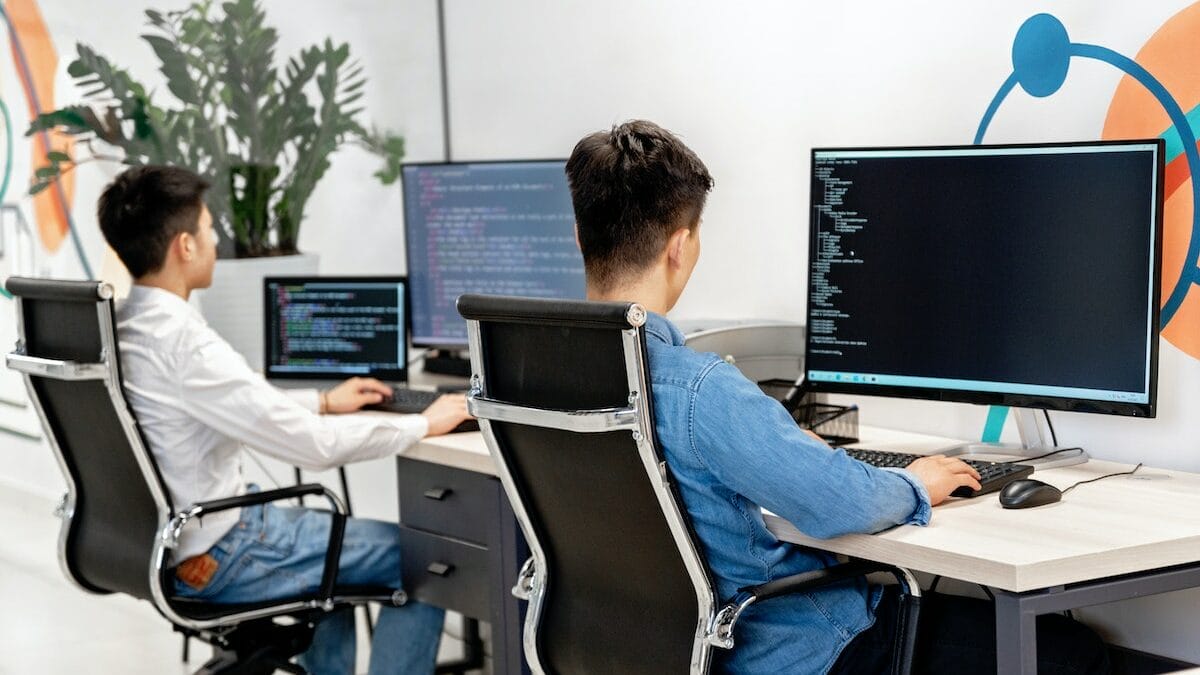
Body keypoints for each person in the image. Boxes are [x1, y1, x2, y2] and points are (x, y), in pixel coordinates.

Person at [564, 120, 1110, 674]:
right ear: (682, 246)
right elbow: (836, 503)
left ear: (579, 237)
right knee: (1073, 654)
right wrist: (915, 481)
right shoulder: (699, 389)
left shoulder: (534, 380)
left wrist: (787, 447)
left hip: (636, 651)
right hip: (785, 650)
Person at [97, 165, 471, 674]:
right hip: (224, 551)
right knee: (425, 560)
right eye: (208, 229)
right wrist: (423, 422)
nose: (213, 240)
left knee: (333, 570)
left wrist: (321, 400)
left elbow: (225, 402)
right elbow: (313, 448)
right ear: (184, 246)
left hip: (164, 548)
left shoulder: (126, 328)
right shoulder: (186, 343)